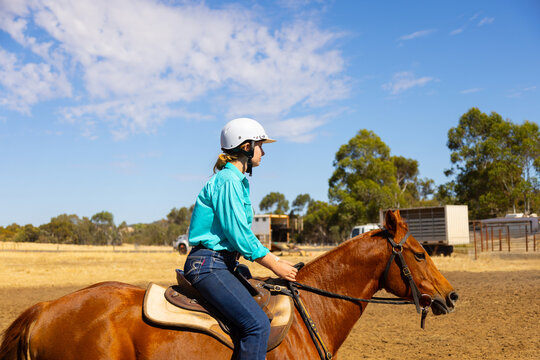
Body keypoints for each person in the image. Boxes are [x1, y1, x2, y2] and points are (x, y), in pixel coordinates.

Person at [184, 118, 298, 360]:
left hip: (222, 263)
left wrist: (274, 259)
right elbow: (239, 234)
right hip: (209, 266)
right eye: (260, 145)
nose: (263, 152)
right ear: (247, 147)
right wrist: (275, 263)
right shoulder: (228, 182)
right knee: (257, 326)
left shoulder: (238, 182)